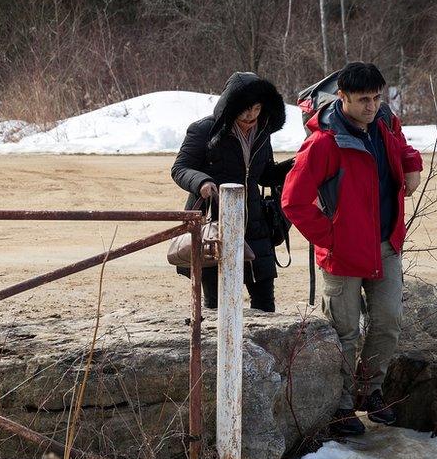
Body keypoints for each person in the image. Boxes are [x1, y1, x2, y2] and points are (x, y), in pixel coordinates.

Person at [281, 62, 423, 435]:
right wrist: (331, 239)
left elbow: (403, 143)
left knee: (388, 321)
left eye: (377, 98)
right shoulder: (324, 143)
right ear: (341, 97)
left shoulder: (384, 123)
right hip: (342, 256)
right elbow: (293, 202)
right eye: (363, 100)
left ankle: (368, 391)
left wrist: (411, 165)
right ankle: (341, 408)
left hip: (386, 247)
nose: (372, 106)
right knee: (343, 334)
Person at [172, 72, 294, 312]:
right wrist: (202, 182)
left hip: (256, 228)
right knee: (217, 306)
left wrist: (293, 166)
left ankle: (261, 351)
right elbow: (180, 168)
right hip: (215, 227)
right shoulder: (203, 130)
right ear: (230, 107)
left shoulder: (262, 131)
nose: (251, 115)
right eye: (245, 109)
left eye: (257, 108)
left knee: (265, 304)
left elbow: (264, 173)